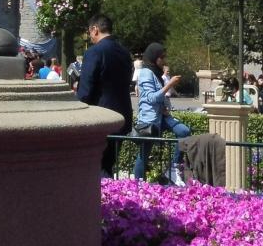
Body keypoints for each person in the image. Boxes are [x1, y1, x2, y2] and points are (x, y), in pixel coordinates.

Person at [77, 14, 134, 178]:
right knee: (108, 165)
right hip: (122, 118)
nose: (90, 36)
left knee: (96, 169)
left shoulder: (94, 52)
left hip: (100, 118)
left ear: (95, 29)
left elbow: (85, 91)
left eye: (90, 32)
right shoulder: (124, 52)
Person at [134, 43, 191, 185]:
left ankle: (173, 168)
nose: (164, 60)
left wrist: (164, 107)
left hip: (163, 116)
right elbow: (151, 98)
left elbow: (159, 97)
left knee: (183, 131)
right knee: (144, 155)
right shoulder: (146, 72)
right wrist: (170, 84)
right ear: (154, 57)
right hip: (150, 120)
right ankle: (137, 186)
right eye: (161, 57)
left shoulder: (156, 72)